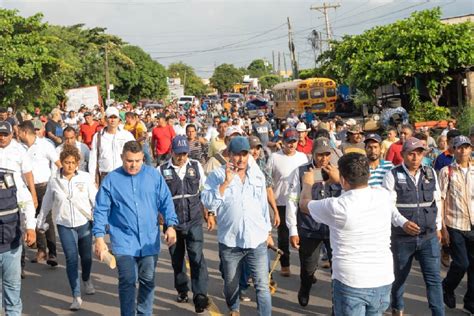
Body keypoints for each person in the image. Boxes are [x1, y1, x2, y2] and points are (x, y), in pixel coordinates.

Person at [299, 152, 407, 316]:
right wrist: (341, 181)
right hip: (382, 279)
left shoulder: (337, 206)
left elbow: (304, 205)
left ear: (343, 178)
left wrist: (307, 184)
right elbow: (360, 192)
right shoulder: (383, 196)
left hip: (351, 282)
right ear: (368, 174)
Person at [93, 140, 178, 316]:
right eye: (129, 161)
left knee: (147, 280)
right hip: (124, 240)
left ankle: (144, 313)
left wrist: (170, 225)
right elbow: (101, 209)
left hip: (148, 240)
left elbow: (166, 201)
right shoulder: (111, 180)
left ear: (143, 159)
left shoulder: (153, 176)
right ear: (122, 157)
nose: (133, 165)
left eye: (138, 161)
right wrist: (99, 238)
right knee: (128, 280)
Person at [202, 136, 273, 316]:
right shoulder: (217, 175)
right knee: (230, 283)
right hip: (230, 241)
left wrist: (268, 232)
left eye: (244, 154)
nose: (241, 159)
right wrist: (225, 183)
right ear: (229, 155)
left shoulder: (257, 174)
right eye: (236, 155)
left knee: (262, 285)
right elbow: (208, 202)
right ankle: (234, 309)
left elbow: (262, 206)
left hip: (256, 240)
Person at [383, 137, 444, 316]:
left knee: (434, 280)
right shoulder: (392, 175)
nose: (415, 157)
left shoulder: (430, 173)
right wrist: (403, 223)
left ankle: (438, 313)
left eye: (419, 153)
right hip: (402, 237)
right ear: (402, 155)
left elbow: (437, 201)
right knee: (399, 277)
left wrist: (439, 227)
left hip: (428, 236)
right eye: (411, 153)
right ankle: (397, 306)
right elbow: (388, 206)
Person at [36, 145, 97, 310]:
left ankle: (86, 278)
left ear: (77, 163)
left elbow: (95, 199)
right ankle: (76, 295)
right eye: (66, 162)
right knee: (71, 258)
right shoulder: (54, 180)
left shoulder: (85, 178)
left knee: (86, 258)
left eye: (73, 162)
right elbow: (47, 202)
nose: (69, 165)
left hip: (83, 223)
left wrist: (100, 219)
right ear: (61, 162)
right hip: (64, 224)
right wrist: (40, 220)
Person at [287, 137, 342, 307]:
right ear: (313, 154)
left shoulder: (338, 171)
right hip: (309, 227)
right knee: (308, 267)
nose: (323, 158)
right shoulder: (301, 171)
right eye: (320, 155)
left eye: (327, 154)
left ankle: (337, 302)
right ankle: (305, 287)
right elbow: (292, 200)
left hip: (333, 228)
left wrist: (338, 179)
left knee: (338, 270)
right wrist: (293, 230)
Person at [158, 136, 210, 313]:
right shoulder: (162, 169)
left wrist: (209, 212)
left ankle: (200, 295)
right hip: (172, 223)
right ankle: (182, 289)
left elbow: (205, 191)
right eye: (178, 153)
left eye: (184, 153)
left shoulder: (195, 166)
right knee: (177, 259)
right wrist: (159, 214)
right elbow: (156, 196)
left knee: (196, 257)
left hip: (194, 220)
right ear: (171, 152)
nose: (182, 157)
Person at [0, 122, 36, 315]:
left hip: (11, 244)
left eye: (5, 134)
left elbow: (27, 203)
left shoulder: (15, 185)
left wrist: (31, 228)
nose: (2, 137)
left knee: (12, 291)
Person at [18, 120, 61, 266]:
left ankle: (53, 253)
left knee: (46, 219)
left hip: (44, 186)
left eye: (18, 132)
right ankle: (41, 250)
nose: (17, 135)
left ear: (25, 132)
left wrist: (63, 183)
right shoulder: (19, 147)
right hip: (26, 188)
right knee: (32, 218)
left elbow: (58, 163)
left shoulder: (45, 145)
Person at [439, 135, 473, 314]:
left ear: (470, 149)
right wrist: (442, 227)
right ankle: (447, 287)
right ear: (453, 150)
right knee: (461, 263)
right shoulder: (447, 171)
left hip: (473, 224)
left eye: (466, 147)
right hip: (455, 223)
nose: (463, 151)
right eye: (459, 147)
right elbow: (441, 199)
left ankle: (470, 303)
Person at [268, 128, 308, 276]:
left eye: (294, 141)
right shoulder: (274, 157)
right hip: (282, 201)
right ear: (282, 142)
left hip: (300, 201)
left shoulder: (303, 157)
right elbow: (268, 180)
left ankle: (307, 268)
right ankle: (285, 264)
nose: (291, 145)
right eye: (288, 142)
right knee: (284, 235)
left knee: (303, 234)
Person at [88, 107, 135, 185]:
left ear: (119, 119)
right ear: (106, 119)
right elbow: (93, 158)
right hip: (105, 175)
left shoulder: (126, 135)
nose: (112, 120)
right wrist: (92, 180)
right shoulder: (98, 136)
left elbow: (135, 154)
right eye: (110, 117)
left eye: (115, 117)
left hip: (123, 174)